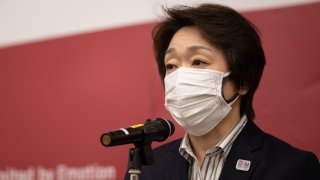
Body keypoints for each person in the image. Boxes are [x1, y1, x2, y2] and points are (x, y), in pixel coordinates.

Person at [125, 3, 320, 180]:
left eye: (198, 61)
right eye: (171, 65)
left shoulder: (291, 168)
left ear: (242, 81)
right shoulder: (146, 169)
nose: (180, 77)